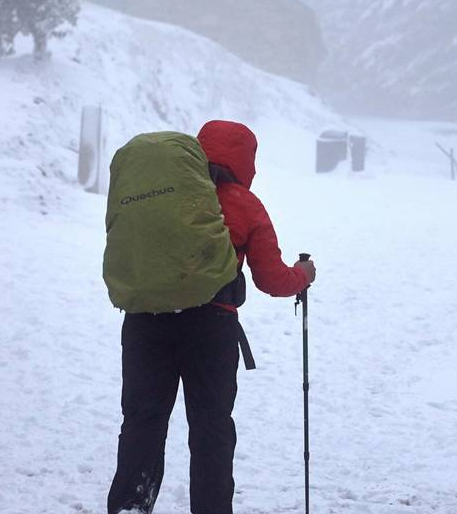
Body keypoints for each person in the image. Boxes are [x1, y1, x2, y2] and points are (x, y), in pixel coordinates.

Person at [107, 120, 316, 514]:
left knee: (142, 424)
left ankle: (130, 507)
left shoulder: (163, 196)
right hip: (209, 328)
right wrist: (303, 275)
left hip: (144, 324)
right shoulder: (243, 203)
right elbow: (272, 279)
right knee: (210, 430)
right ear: (246, 161)